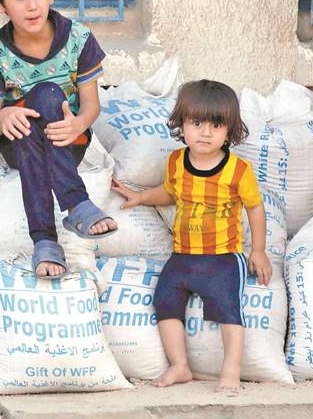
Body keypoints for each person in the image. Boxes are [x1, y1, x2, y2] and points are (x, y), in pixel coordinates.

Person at [112, 80, 270, 393]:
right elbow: (169, 193)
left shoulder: (238, 170)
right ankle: (180, 366)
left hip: (223, 257)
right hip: (182, 256)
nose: (205, 132)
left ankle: (231, 370)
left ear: (230, 132)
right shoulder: (175, 162)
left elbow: (255, 208)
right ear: (182, 124)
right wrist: (140, 197)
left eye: (216, 125)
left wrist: (259, 251)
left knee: (229, 310)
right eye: (196, 123)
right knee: (165, 302)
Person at [0, 0, 117, 277]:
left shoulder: (78, 39)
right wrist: (4, 117)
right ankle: (72, 208)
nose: (32, 5)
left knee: (51, 97)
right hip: (20, 143)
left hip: (70, 139)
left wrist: (78, 123)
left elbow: (91, 105)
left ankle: (46, 243)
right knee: (40, 99)